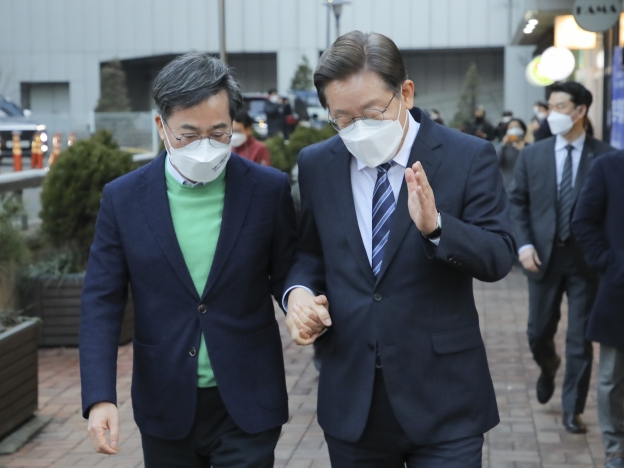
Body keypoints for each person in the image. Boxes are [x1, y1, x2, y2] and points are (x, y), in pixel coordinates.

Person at [283, 31, 516, 467]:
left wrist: (437, 227)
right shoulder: (318, 164)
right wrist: (297, 294)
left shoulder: (468, 156)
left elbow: (499, 254)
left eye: (372, 111)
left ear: (405, 93)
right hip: (353, 397)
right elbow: (310, 252)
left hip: (445, 398)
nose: (359, 128)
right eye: (343, 119)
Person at [79, 53, 297, 467]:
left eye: (219, 132)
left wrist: (299, 298)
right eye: (189, 134)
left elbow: (287, 270)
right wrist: (99, 396)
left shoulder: (267, 190)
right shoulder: (124, 199)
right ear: (161, 127)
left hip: (248, 399)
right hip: (165, 400)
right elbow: (100, 302)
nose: (205, 146)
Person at [509, 81, 615, 435]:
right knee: (538, 331)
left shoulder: (605, 156)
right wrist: (523, 246)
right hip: (543, 256)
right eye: (550, 106)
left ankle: (573, 408)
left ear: (581, 111)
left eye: (560, 107)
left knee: (581, 338)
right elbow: (517, 203)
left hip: (587, 261)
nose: (551, 114)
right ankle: (548, 364)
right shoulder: (532, 155)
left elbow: (615, 211)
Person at [572, 90, 624, 468]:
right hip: (623, 286)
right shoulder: (609, 167)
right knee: (612, 377)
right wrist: (609, 263)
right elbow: (583, 221)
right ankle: (615, 448)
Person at [498, 118, 527, 188]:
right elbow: (495, 162)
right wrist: (503, 145)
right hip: (506, 186)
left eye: (517, 127)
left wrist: (523, 149)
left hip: (524, 186)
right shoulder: (503, 147)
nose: (514, 129)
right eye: (511, 127)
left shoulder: (529, 147)